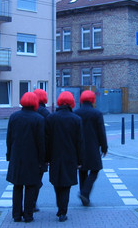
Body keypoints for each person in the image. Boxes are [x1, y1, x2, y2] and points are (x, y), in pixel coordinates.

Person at [6, 92, 45, 223]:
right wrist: (42, 160)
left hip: (16, 157)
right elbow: (41, 142)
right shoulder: (38, 119)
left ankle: (16, 215)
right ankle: (28, 215)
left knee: (17, 186)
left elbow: (9, 139)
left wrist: (9, 155)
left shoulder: (14, 117)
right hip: (32, 158)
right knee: (30, 187)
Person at [45, 91, 84, 222]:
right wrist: (80, 160)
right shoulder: (76, 119)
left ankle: (59, 207)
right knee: (66, 185)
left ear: (59, 102)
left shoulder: (51, 118)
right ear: (72, 103)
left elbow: (47, 140)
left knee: (57, 183)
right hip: (70, 157)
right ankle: (63, 211)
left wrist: (47, 158)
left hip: (55, 156)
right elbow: (79, 142)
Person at [74, 90, 108, 206]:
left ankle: (85, 197)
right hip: (93, 146)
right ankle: (85, 192)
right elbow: (101, 132)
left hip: (79, 146)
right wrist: (104, 147)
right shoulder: (97, 114)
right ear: (93, 100)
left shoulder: (76, 112)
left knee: (82, 171)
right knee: (95, 170)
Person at [31, 88, 50, 212]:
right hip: (41, 152)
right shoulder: (46, 114)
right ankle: (33, 203)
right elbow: (49, 135)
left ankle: (29, 203)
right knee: (38, 180)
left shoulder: (29, 111)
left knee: (29, 179)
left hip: (28, 151)